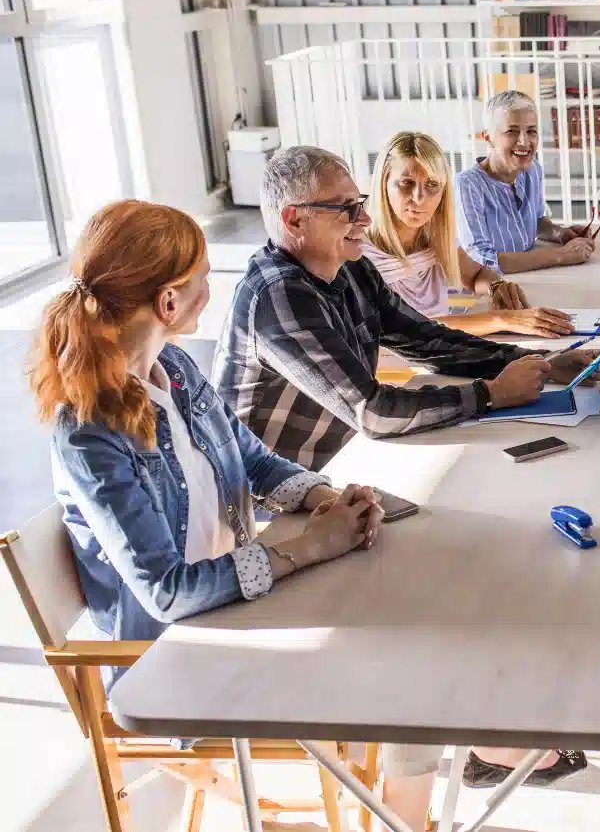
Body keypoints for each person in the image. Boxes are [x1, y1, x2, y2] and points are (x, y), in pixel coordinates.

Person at [31, 199, 380, 676]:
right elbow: (168, 592)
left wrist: (331, 500)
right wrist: (311, 547)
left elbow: (252, 461)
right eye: (204, 278)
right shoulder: (89, 434)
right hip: (177, 661)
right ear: (168, 302)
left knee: (384, 632)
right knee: (376, 663)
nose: (210, 293)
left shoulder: (173, 367)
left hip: (241, 612)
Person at [213, 146, 600, 471]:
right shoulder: (278, 296)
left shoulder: (351, 268)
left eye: (359, 204)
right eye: (346, 209)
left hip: (335, 464)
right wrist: (492, 393)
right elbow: (375, 412)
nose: (364, 220)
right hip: (267, 497)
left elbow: (426, 339)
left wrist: (543, 361)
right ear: (294, 219)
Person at [366, 130, 574, 338]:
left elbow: (476, 274)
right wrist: (503, 319)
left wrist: (496, 286)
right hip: (398, 366)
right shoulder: (357, 253)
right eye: (406, 183)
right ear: (383, 184)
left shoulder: (432, 238)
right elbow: (404, 328)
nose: (419, 198)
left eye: (432, 185)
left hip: (444, 353)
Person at [456, 91, 599, 275]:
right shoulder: (467, 184)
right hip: (493, 286)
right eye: (512, 131)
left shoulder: (533, 171)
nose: (524, 142)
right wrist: (562, 255)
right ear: (488, 138)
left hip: (533, 276)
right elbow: (482, 258)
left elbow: (536, 221)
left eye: (531, 131)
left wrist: (560, 234)